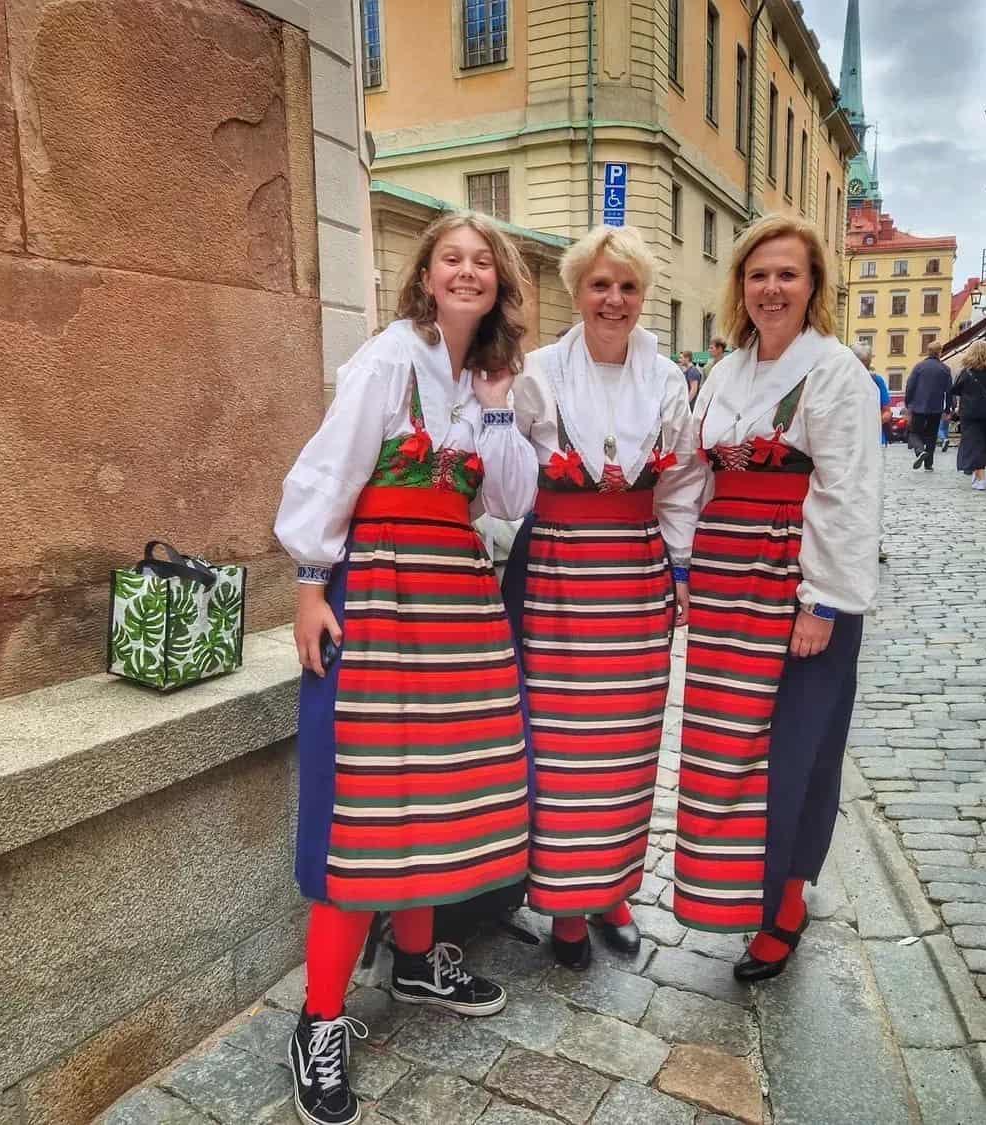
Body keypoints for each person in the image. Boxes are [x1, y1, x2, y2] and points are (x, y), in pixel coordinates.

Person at [274, 211, 538, 1125]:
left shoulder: (488, 380)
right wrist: (312, 583)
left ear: (500, 285)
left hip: (458, 604)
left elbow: (509, 495)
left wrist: (502, 397)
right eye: (449, 259)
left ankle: (419, 958)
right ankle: (317, 1018)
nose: (466, 272)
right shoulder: (390, 358)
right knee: (369, 804)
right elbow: (328, 471)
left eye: (482, 263)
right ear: (425, 276)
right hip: (382, 598)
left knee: (444, 787)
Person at [674, 213, 881, 983]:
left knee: (797, 747)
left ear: (814, 285)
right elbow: (696, 473)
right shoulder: (726, 372)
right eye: (758, 274)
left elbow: (849, 494)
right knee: (727, 748)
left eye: (787, 274)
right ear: (741, 286)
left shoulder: (835, 372)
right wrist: (686, 561)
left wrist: (821, 600)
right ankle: (730, 889)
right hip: (729, 582)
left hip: (792, 580)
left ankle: (785, 901)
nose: (771, 288)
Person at [510, 226, 706, 968]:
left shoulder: (666, 379)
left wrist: (679, 568)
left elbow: (683, 480)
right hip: (558, 575)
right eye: (599, 285)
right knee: (561, 746)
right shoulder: (536, 373)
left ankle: (613, 890)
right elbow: (506, 473)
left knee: (627, 745)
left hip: (633, 575)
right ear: (575, 291)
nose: (613, 299)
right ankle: (563, 901)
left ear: (642, 295)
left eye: (627, 286)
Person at [950, 340, 986, 491]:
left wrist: (957, 408)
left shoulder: (966, 371)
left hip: (970, 412)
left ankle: (979, 476)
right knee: (982, 443)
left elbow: (956, 391)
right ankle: (977, 473)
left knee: (975, 443)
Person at [854, 342, 891, 563]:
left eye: (866, 364)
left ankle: (876, 543)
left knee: (873, 492)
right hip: (849, 444)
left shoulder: (876, 381)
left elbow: (886, 411)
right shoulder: (840, 381)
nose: (864, 368)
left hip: (875, 442)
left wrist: (873, 420)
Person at [904, 345, 952, 471]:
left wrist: (908, 404)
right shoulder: (945, 369)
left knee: (914, 433)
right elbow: (949, 391)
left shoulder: (919, 367)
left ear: (928, 352)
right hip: (936, 408)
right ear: (940, 352)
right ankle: (929, 464)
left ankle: (920, 451)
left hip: (919, 406)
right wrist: (947, 409)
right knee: (931, 436)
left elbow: (910, 386)